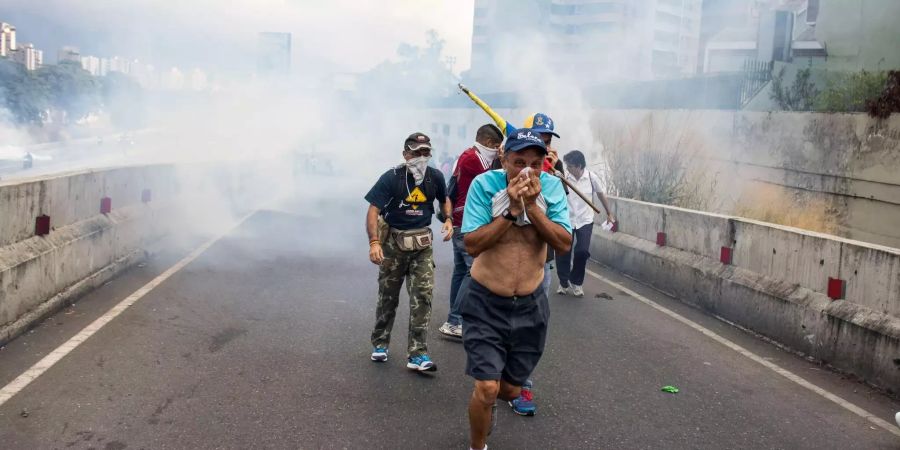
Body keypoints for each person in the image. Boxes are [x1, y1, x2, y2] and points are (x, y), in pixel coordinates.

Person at [460, 129, 572, 450]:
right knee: (486, 388)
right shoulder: (485, 185)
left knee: (508, 390)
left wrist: (533, 207)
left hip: (530, 306)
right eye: (518, 161)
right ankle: (478, 445)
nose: (527, 170)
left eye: (535, 164)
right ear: (503, 159)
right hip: (485, 301)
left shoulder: (551, 188)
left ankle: (495, 400)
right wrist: (510, 209)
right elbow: (472, 244)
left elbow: (564, 244)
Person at [365, 132, 453, 372]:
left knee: (423, 296)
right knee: (388, 296)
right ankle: (380, 343)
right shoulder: (391, 178)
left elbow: (444, 199)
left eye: (426, 152)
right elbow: (373, 211)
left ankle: (418, 354)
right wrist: (374, 243)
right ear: (406, 154)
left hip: (422, 247)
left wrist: (448, 219)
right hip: (393, 245)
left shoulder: (434, 177)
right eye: (416, 152)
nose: (421, 157)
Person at [439, 124, 504, 339]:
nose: (497, 151)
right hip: (467, 222)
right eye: (496, 147)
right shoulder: (472, 159)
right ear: (487, 143)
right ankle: (455, 319)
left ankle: (455, 317)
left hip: (461, 221)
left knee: (460, 271)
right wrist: (503, 161)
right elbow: (492, 180)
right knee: (472, 271)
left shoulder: (471, 155)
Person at [556, 150, 615, 297]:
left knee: (582, 251)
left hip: (585, 220)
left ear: (579, 166)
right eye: (567, 166)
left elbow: (601, 195)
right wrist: (558, 179)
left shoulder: (591, 177)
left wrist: (609, 212)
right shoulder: (564, 177)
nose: (567, 168)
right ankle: (563, 283)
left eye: (570, 166)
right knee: (563, 251)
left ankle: (576, 282)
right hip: (567, 219)